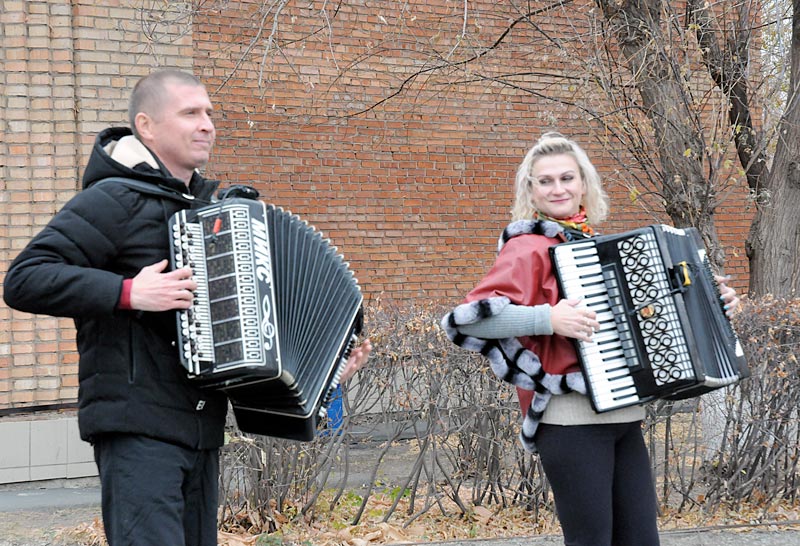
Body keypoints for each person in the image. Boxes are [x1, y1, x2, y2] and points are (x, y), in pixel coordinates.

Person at [3, 69, 372, 546]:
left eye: (210, 114)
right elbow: (25, 278)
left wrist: (320, 378)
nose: (207, 125)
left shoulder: (211, 214)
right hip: (137, 430)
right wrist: (129, 292)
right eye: (190, 113)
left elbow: (241, 350)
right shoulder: (114, 199)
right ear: (147, 126)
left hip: (200, 430)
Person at [441, 132, 739, 546]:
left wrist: (712, 301)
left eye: (567, 177)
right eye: (545, 181)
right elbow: (465, 322)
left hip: (623, 416)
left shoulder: (594, 244)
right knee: (591, 541)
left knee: (639, 539)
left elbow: (660, 316)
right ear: (530, 189)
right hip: (569, 421)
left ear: (584, 183)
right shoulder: (527, 247)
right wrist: (549, 317)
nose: (558, 188)